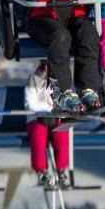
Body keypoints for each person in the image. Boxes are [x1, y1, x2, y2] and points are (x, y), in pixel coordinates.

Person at [24, 60, 71, 189]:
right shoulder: (34, 80)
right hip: (37, 118)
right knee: (38, 135)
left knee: (61, 133)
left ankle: (61, 171)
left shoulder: (59, 81)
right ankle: (42, 172)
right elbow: (30, 103)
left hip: (54, 117)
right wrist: (47, 110)